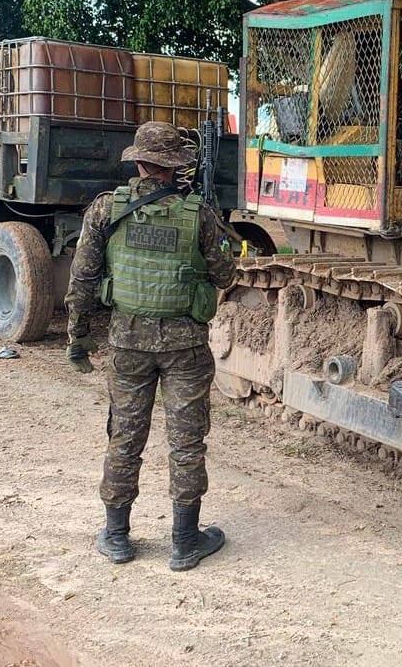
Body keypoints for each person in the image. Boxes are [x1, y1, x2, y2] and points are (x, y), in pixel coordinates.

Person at [64, 120, 236, 570]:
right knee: (187, 442)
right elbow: (225, 274)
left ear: (139, 162)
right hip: (186, 347)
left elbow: (82, 279)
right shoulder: (198, 213)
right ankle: (184, 542)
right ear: (175, 166)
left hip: (128, 343)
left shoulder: (105, 210)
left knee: (124, 437)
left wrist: (77, 337)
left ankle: (117, 537)